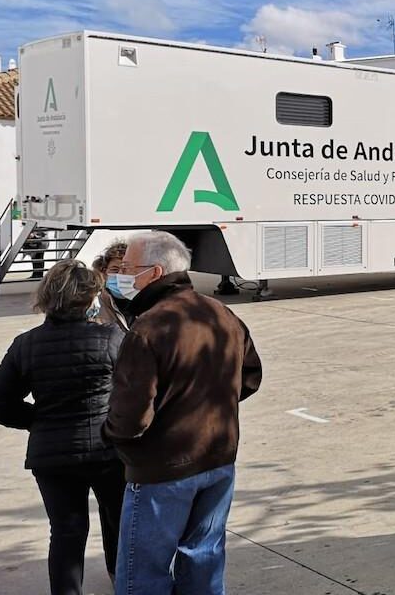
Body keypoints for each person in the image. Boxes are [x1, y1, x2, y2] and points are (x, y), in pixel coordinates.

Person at [102, 231, 262, 595]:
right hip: (218, 458)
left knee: (142, 574)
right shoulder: (220, 312)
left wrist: (111, 436)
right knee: (203, 562)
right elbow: (250, 377)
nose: (120, 275)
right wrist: (210, 406)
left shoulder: (148, 328)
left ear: (154, 272)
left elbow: (131, 418)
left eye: (128, 268)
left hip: (162, 470)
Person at [0, 261, 126, 595]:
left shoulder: (26, 344)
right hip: (107, 451)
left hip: (52, 457)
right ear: (91, 297)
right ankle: (124, 581)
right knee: (121, 524)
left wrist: (37, 421)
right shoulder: (112, 338)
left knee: (65, 532)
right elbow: (137, 392)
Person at [92, 239, 130, 329]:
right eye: (115, 270)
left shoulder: (146, 303)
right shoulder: (95, 305)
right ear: (104, 272)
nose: (120, 274)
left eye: (126, 270)